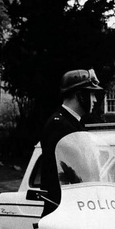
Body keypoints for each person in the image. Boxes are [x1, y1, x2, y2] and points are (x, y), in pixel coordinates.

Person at [40, 69, 103, 216]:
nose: (94, 100)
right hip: (63, 211)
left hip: (75, 208)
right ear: (80, 95)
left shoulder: (72, 123)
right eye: (91, 94)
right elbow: (66, 173)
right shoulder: (59, 125)